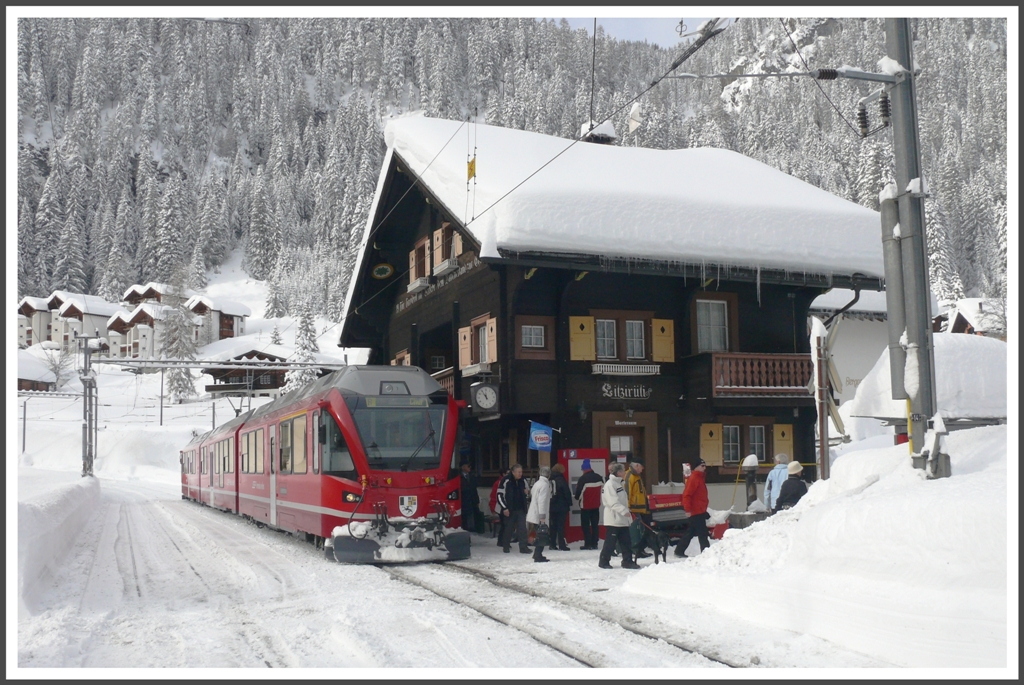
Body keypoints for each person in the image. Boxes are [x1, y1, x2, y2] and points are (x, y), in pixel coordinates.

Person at [598, 462, 639, 569]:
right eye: (623, 470)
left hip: (622, 519)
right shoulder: (610, 485)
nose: (625, 472)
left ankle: (627, 561)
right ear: (619, 472)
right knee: (610, 542)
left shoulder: (619, 483)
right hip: (614, 519)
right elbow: (612, 502)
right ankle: (603, 561)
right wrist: (624, 511)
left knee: (626, 541)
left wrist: (627, 512)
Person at [674, 458, 710, 558]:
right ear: (697, 467)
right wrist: (688, 509)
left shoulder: (699, 478)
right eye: (702, 466)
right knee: (702, 533)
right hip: (696, 511)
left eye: (705, 466)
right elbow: (687, 495)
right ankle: (706, 553)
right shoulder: (694, 478)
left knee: (690, 532)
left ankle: (679, 550)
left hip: (699, 510)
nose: (704, 468)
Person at [497, 463, 530, 554]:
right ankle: (506, 545)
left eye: (521, 472)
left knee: (522, 528)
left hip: (521, 508)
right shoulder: (505, 480)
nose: (520, 474)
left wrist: (527, 492)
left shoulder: (523, 480)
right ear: (513, 472)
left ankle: (523, 547)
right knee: (508, 528)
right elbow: (499, 495)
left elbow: (528, 491)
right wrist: (504, 508)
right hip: (509, 509)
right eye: (518, 472)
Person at [573, 459, 604, 550]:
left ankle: (588, 544)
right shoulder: (599, 477)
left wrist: (577, 498)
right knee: (595, 525)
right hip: (596, 505)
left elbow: (579, 493)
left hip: (585, 506)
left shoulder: (583, 479)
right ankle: (595, 543)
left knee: (585, 525)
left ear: (584, 469)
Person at [626, 456, 653, 559]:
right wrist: (628, 508)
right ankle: (636, 550)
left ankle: (639, 549)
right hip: (633, 509)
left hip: (638, 508)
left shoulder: (636, 476)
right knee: (635, 531)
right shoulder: (630, 476)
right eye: (641, 467)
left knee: (639, 530)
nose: (642, 469)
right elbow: (627, 493)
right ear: (636, 465)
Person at [526, 466, 552, 562]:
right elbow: (542, 501)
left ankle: (537, 554)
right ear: (549, 475)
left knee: (539, 534)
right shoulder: (545, 485)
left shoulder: (537, 483)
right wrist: (542, 517)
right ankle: (538, 555)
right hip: (539, 514)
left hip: (534, 512)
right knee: (542, 534)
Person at [548, 463, 573, 551]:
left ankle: (552, 544)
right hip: (561, 506)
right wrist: (570, 503)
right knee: (561, 526)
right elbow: (566, 492)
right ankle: (562, 545)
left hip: (552, 506)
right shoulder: (561, 479)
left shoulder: (550, 479)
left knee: (553, 526)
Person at [459, 461, 480, 532]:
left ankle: (472, 528)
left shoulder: (471, 476)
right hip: (463, 498)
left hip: (472, 498)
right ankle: (465, 528)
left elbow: (474, 489)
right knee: (464, 515)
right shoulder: (459, 477)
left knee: (472, 514)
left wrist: (477, 500)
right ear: (463, 467)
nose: (470, 467)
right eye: (468, 466)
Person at [490, 468, 508, 545]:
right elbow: (494, 496)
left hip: (504, 506)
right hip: (501, 507)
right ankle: (501, 541)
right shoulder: (499, 483)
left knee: (506, 524)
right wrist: (493, 508)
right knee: (505, 524)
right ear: (503, 474)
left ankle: (503, 540)